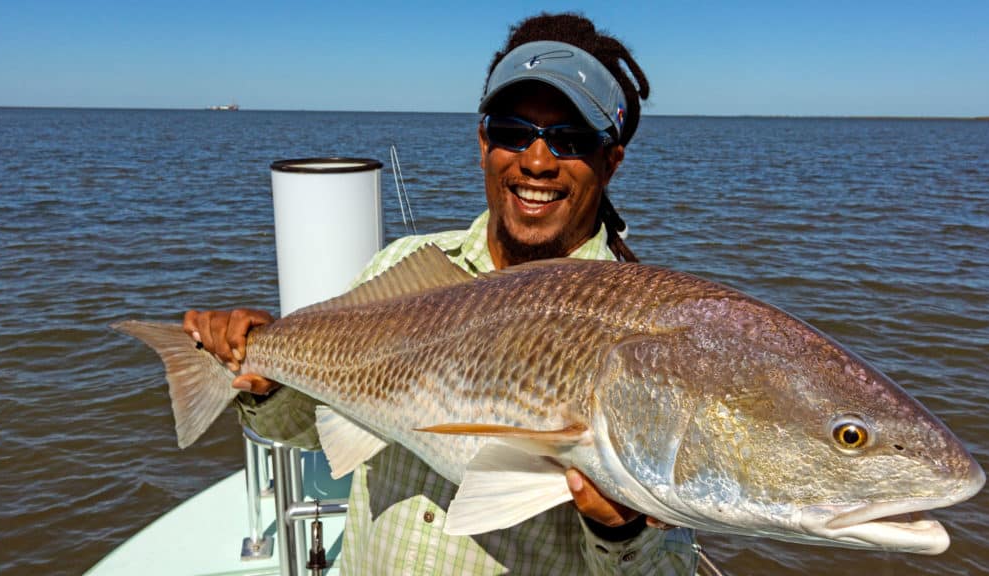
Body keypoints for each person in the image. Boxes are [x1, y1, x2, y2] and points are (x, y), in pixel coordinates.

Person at [185, 13, 699, 575]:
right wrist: (262, 387)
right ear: (483, 144)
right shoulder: (405, 266)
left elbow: (667, 567)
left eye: (570, 140)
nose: (536, 161)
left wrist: (619, 531)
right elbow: (308, 428)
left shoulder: (639, 333)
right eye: (512, 131)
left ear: (611, 162)